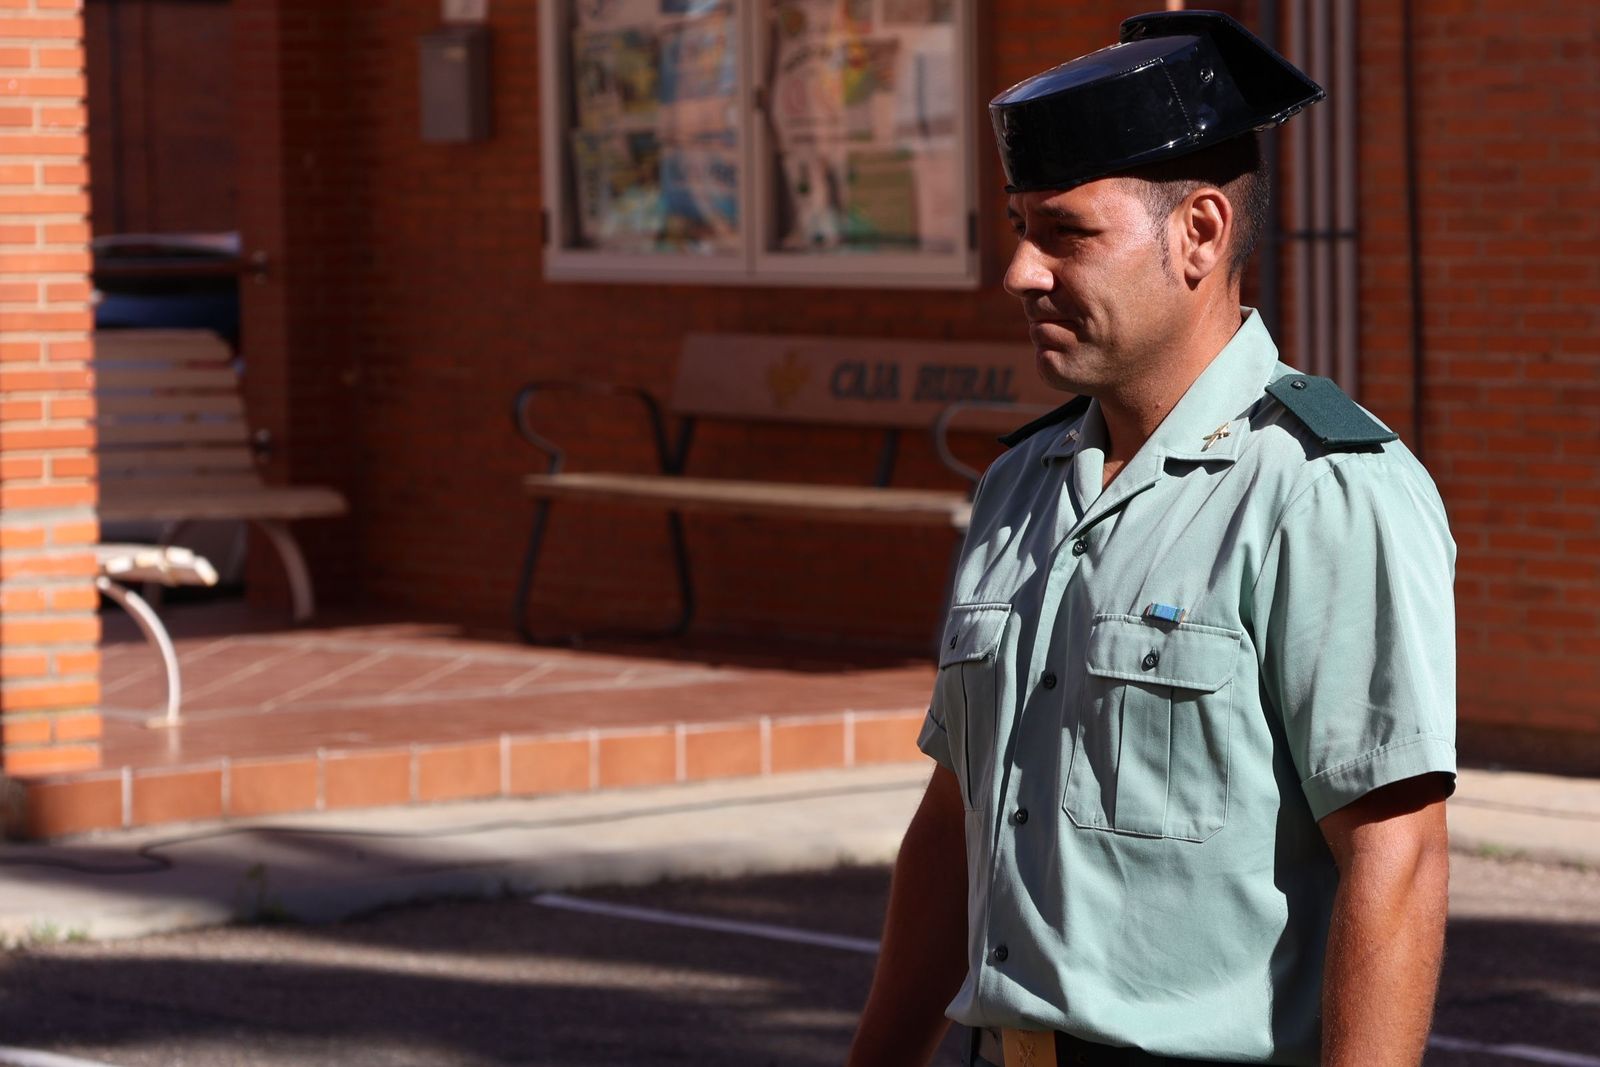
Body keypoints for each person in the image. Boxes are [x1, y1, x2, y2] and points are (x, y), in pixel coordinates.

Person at [849, 12, 1456, 1067]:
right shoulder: (1016, 488)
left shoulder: (1322, 491)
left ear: (1201, 232)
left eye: (1065, 232)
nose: (1020, 272)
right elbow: (956, 814)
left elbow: (1393, 854)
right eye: (1017, 227)